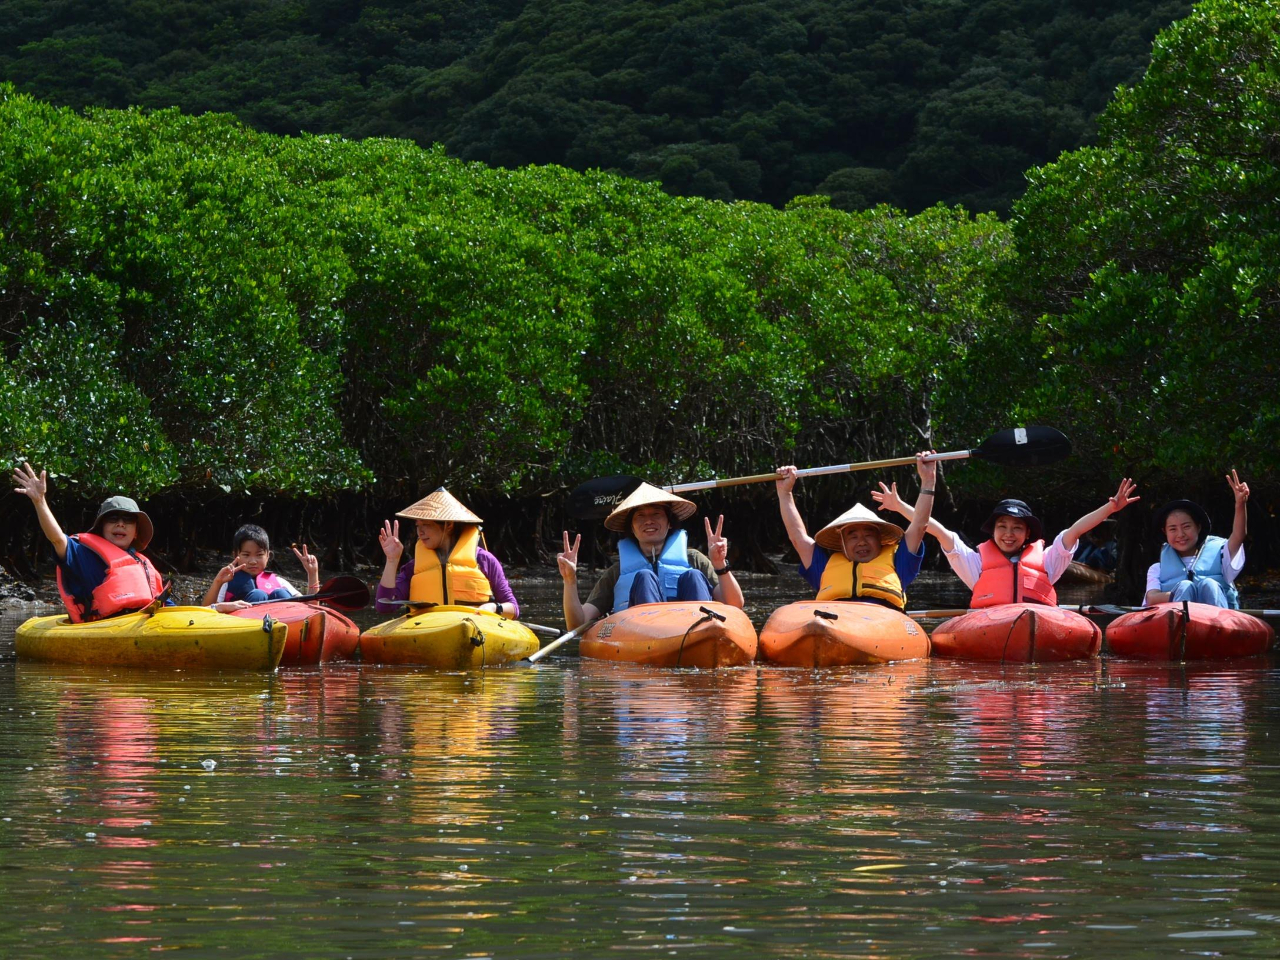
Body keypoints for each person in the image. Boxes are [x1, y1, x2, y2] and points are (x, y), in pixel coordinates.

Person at [877, 478, 1140, 607]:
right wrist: (899, 506)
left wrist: (1109, 509)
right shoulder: (975, 562)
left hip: (1038, 619)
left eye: (1017, 528)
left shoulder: (1049, 560)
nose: (1008, 533)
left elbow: (1074, 531)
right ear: (992, 532)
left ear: (1028, 535)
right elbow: (937, 530)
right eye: (1002, 527)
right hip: (990, 625)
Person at [557, 482, 743, 630]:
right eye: (640, 516)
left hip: (695, 631)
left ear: (669, 523)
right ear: (631, 527)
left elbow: (734, 605)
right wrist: (569, 580)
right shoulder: (617, 572)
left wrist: (720, 565)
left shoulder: (694, 559)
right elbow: (577, 623)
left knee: (693, 576)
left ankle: (704, 632)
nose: (649, 521)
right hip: (646, 636)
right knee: (644, 578)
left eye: (656, 514)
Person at [11, 462, 174, 622]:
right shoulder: (82, 554)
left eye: (128, 519)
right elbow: (57, 539)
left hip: (145, 626)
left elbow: (167, 607)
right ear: (101, 527)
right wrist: (40, 502)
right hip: (104, 628)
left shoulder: (144, 563)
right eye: (113, 518)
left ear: (136, 532)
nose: (120, 524)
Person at [775, 451, 937, 609]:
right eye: (853, 537)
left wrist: (928, 480)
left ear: (880, 539)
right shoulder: (824, 566)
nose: (861, 542)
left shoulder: (899, 561)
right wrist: (785, 493)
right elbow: (798, 537)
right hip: (835, 623)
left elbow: (919, 525)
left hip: (881, 622)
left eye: (868, 535)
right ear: (842, 543)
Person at [374, 487, 519, 617]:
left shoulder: (484, 560)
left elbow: (513, 608)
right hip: (427, 632)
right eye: (418, 525)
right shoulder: (414, 567)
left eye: (426, 525)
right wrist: (392, 561)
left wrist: (494, 607)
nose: (420, 532)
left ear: (448, 525)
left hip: (473, 628)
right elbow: (384, 606)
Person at [1145, 471, 1249, 608]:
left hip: (1218, 619)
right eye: (1173, 529)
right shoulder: (1157, 568)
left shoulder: (1222, 556)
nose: (1180, 534)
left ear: (1198, 527)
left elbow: (1239, 535)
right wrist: (1182, 593)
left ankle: (1215, 626)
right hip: (1179, 617)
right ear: (1165, 532)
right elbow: (1151, 598)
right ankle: (1182, 625)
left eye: (1186, 526)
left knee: (1209, 585)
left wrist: (1240, 504)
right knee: (1185, 586)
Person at [202, 523, 320, 606]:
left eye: (259, 555)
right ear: (235, 556)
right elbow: (205, 611)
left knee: (281, 593)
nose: (253, 561)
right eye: (246, 555)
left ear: (268, 556)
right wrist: (218, 582)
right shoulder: (227, 582)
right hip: (244, 624)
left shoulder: (279, 582)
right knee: (258, 595)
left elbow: (310, 606)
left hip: (281, 621)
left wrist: (312, 573)